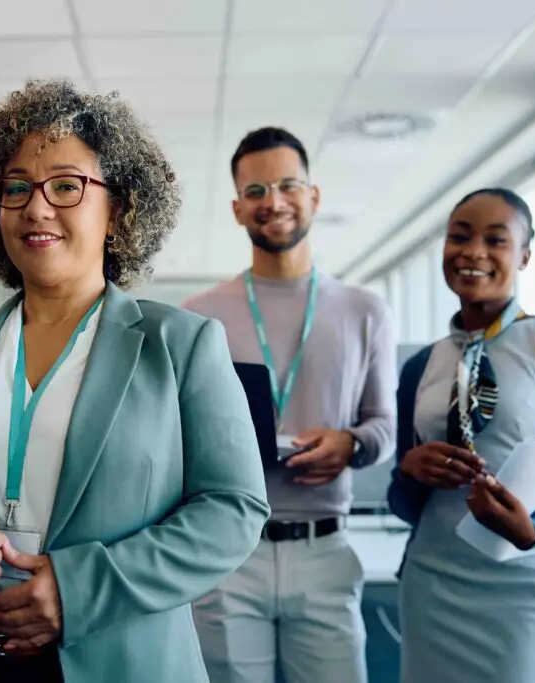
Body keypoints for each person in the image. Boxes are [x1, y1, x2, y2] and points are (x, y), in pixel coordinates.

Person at [0, 79, 270, 683]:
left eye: (67, 186)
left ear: (118, 209)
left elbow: (234, 509)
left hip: (116, 656)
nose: (37, 207)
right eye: (17, 188)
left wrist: (77, 588)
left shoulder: (183, 346)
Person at [183, 127, 397, 683]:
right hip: (231, 549)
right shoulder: (200, 316)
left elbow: (384, 426)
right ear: (237, 209)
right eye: (255, 191)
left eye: (287, 185)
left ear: (313, 196)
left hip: (325, 548)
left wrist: (351, 444)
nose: (272, 201)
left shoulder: (364, 309)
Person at [388, 188, 535, 683]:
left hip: (529, 585)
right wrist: (410, 472)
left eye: (496, 240)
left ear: (524, 256)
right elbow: (404, 501)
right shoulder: (420, 366)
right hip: (433, 584)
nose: (473, 252)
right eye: (459, 237)